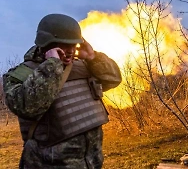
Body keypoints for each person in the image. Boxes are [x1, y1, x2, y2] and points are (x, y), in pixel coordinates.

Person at [2, 13, 122, 168]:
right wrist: (52, 65)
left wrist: (93, 57)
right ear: (47, 43)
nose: (71, 50)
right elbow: (28, 107)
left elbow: (113, 80)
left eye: (74, 45)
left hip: (92, 163)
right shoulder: (22, 75)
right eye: (64, 45)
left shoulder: (83, 66)